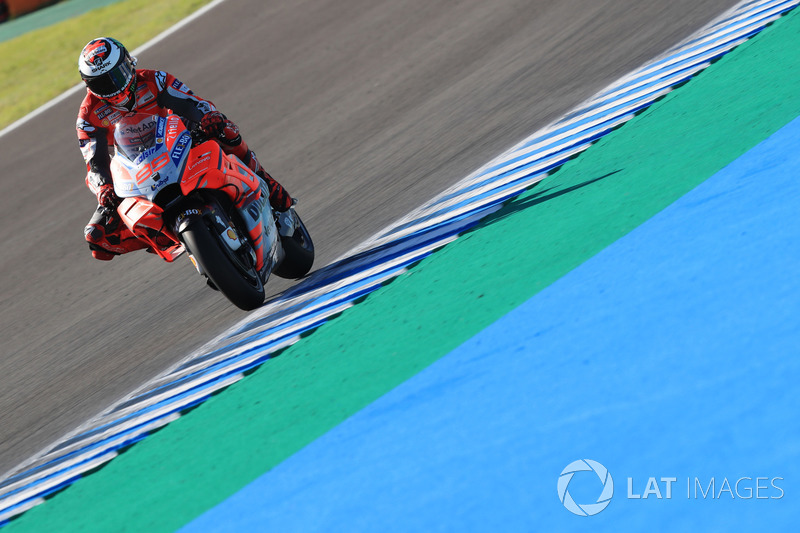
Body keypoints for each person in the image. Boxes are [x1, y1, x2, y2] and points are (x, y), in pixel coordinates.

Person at [77, 37, 296, 261]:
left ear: (129, 63)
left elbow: (193, 103)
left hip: (180, 138)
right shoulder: (88, 116)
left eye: (118, 75)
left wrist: (208, 118)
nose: (114, 87)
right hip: (137, 165)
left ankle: (268, 184)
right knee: (96, 236)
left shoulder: (155, 80)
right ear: (89, 85)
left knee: (226, 132)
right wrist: (103, 189)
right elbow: (94, 163)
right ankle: (164, 236)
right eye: (103, 83)